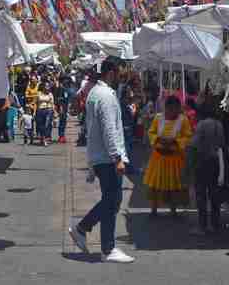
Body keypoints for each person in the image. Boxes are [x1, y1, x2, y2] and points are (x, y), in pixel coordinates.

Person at [69, 58, 134, 263]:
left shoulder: (96, 93)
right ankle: (86, 230)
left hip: (100, 156)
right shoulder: (104, 95)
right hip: (107, 157)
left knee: (112, 200)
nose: (123, 77)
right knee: (112, 200)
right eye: (121, 72)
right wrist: (117, 157)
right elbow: (109, 130)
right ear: (112, 73)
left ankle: (106, 245)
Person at [144, 95, 193, 218]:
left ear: (178, 108)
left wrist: (175, 141)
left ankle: (173, 210)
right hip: (158, 158)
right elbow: (151, 132)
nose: (172, 112)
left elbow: (188, 136)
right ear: (166, 108)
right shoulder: (158, 118)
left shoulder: (183, 120)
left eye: (175, 109)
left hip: (175, 158)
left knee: (174, 185)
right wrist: (158, 139)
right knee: (155, 184)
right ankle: (153, 210)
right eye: (170, 109)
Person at [190, 103, 225, 236]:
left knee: (201, 195)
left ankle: (202, 226)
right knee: (214, 194)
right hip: (216, 162)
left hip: (202, 162)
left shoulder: (201, 125)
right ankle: (215, 224)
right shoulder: (219, 124)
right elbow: (221, 145)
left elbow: (194, 144)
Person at [119, 86, 138, 175]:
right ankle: (129, 168)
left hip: (126, 128)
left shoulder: (123, 102)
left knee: (128, 149)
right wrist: (133, 109)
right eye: (130, 91)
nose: (131, 93)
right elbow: (130, 114)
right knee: (128, 150)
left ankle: (128, 167)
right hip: (126, 128)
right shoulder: (124, 103)